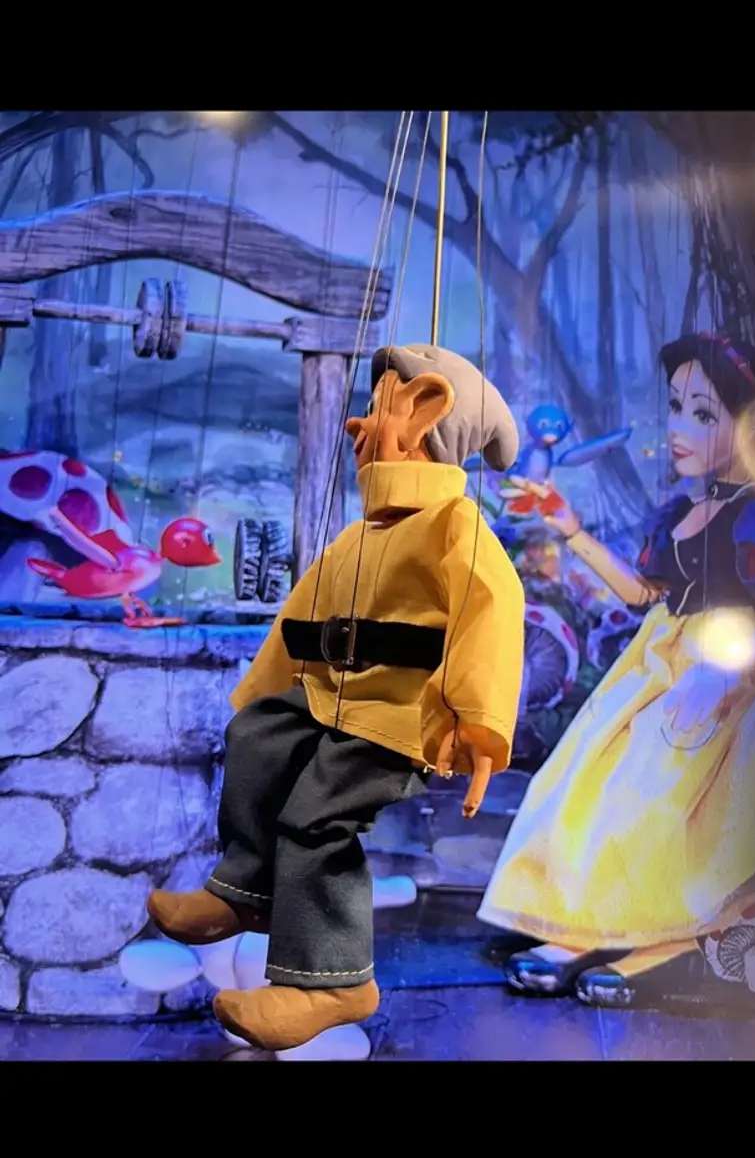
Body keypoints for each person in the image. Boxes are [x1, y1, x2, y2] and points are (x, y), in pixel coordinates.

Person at [147, 343, 526, 1050]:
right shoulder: (360, 536)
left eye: (377, 408)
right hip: (333, 697)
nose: (356, 425)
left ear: (427, 412)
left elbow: (493, 613)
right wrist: (265, 692)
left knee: (317, 814)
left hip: (398, 717)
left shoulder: (453, 526)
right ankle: (243, 892)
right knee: (260, 736)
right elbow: (304, 611)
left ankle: (332, 978)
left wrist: (478, 722)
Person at [478, 332, 755, 1006]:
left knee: (655, 780)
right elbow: (642, 593)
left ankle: (668, 943)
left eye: (702, 413)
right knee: (586, 772)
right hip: (657, 661)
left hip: (725, 667)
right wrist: (570, 529)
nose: (679, 427)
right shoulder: (682, 510)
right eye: (676, 407)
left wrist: (725, 671)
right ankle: (584, 925)